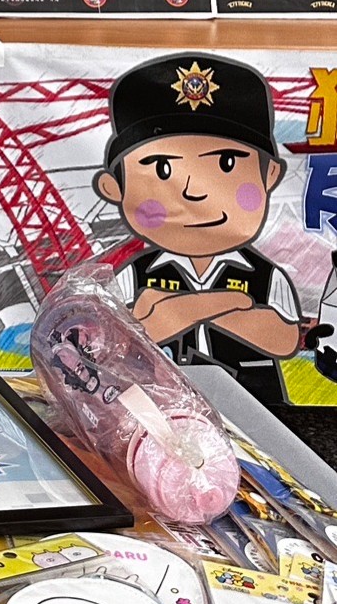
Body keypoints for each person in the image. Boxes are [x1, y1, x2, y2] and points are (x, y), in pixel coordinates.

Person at [95, 52, 301, 406]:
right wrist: (234, 304)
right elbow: (120, 341)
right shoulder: (132, 275)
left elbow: (285, 339)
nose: (194, 191)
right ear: (113, 188)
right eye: (162, 169)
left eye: (226, 163)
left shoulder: (268, 276)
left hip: (261, 412)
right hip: (159, 414)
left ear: (270, 175)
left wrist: (181, 309)